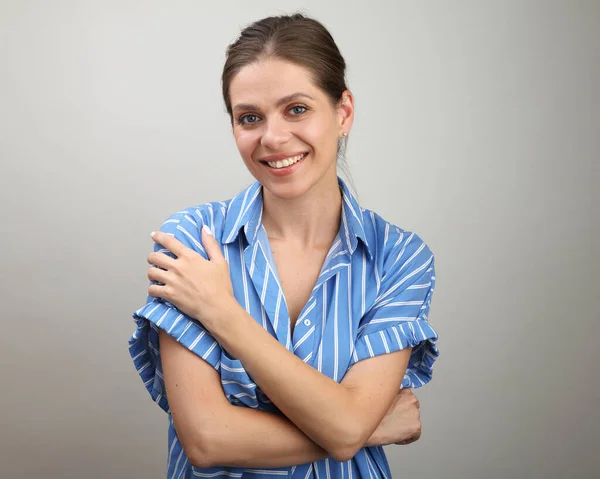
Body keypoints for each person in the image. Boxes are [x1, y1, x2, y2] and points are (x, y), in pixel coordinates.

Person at [129, 13, 439, 479]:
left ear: (343, 112)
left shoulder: (399, 258)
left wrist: (222, 313)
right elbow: (206, 439)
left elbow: (348, 426)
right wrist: (363, 429)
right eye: (249, 117)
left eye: (297, 109)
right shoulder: (192, 240)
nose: (272, 138)